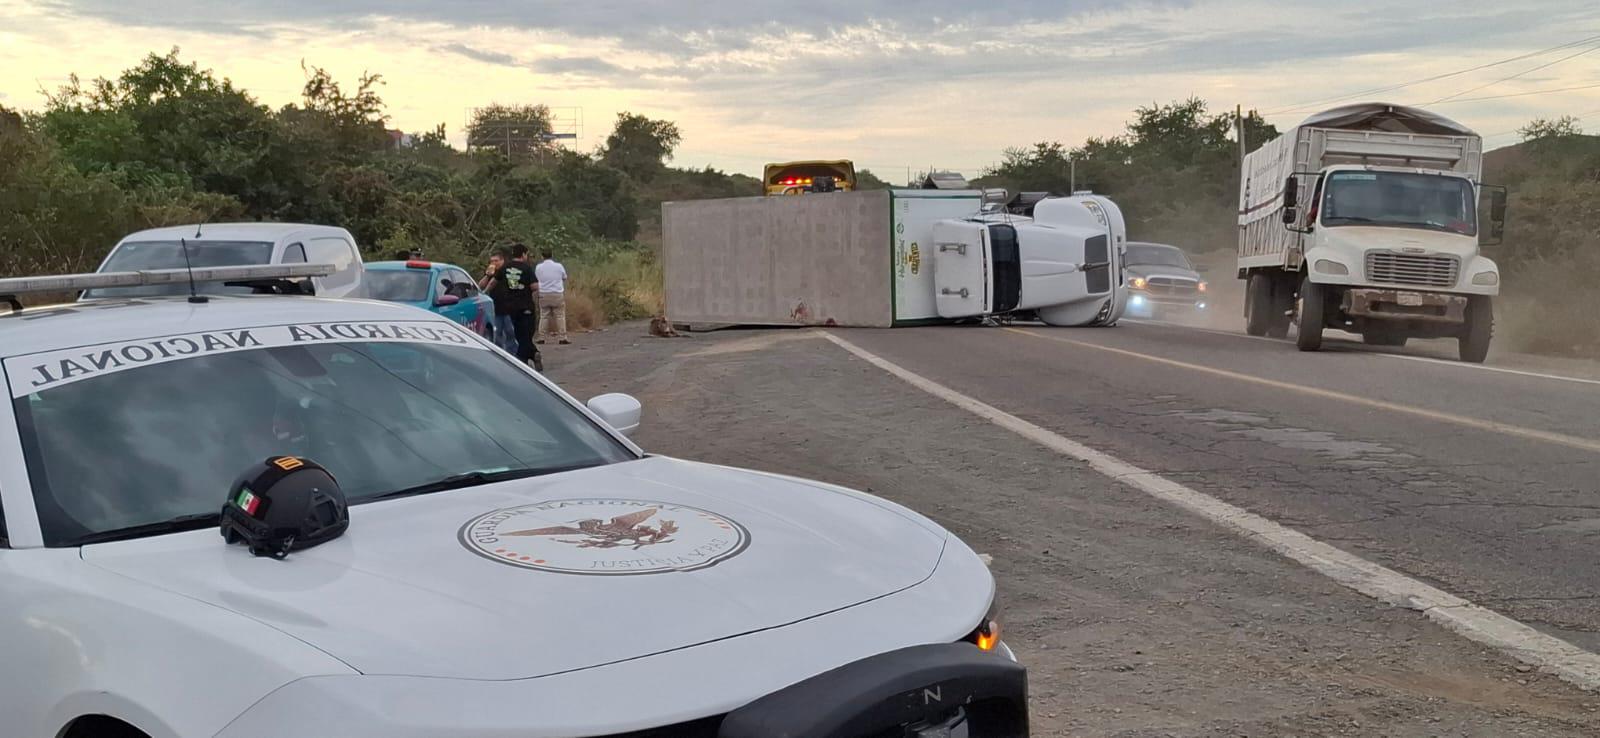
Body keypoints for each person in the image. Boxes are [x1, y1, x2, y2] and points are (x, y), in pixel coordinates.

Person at [500, 244, 543, 372]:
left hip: (511, 308)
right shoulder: (527, 268)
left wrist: (484, 291)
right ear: (523, 254)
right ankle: (530, 355)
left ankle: (527, 357)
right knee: (526, 334)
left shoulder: (505, 267)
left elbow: (494, 281)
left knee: (518, 334)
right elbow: (534, 286)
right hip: (526, 306)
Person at [479, 250, 518, 355]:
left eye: (496, 261)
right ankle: (500, 354)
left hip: (509, 307)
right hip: (496, 307)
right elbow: (480, 286)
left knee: (511, 332)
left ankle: (513, 354)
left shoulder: (508, 271)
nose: (494, 263)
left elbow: (514, 285)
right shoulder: (491, 272)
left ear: (502, 260)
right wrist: (487, 275)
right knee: (497, 333)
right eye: (492, 261)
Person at [535, 247, 570, 345]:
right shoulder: (559, 266)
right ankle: (562, 337)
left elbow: (537, 278)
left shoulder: (539, 267)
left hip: (544, 293)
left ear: (542, 256)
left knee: (544, 316)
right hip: (557, 293)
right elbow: (564, 277)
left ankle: (541, 337)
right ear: (552, 255)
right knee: (560, 316)